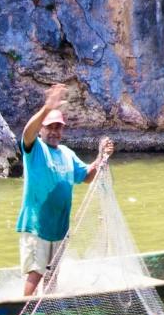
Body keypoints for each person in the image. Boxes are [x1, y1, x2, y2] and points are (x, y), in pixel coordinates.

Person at [16, 86, 113, 296]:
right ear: (42, 129)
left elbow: (87, 176)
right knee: (36, 273)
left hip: (59, 228)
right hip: (36, 226)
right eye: (50, 127)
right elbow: (27, 133)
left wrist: (101, 157)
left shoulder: (67, 154)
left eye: (58, 128)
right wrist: (47, 108)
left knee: (53, 275)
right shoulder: (35, 150)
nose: (54, 132)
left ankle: (47, 314)